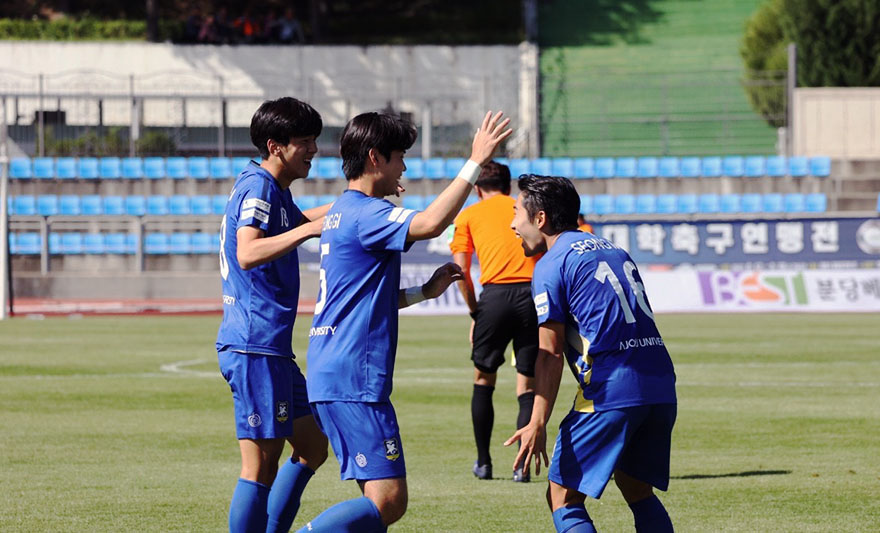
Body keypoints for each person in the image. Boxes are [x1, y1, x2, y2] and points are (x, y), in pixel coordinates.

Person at [298, 111, 512, 532]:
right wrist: (475, 161)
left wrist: (423, 293)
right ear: (375, 157)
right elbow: (431, 223)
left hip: (334, 371)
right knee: (390, 500)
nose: (406, 167)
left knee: (375, 499)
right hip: (354, 377)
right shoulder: (365, 213)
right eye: (400, 157)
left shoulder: (343, 210)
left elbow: (364, 299)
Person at [505, 175, 677, 533]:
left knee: (562, 497)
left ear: (540, 219)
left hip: (611, 390)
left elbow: (549, 354)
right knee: (636, 488)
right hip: (660, 385)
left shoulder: (552, 264)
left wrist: (537, 421)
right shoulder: (612, 249)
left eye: (517, 212)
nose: (512, 224)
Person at [216, 97, 332, 533]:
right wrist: (308, 229)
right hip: (253, 344)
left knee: (312, 446)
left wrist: (356, 204)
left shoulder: (275, 190)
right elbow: (248, 251)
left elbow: (304, 220)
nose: (314, 150)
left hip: (272, 349)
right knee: (260, 466)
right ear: (275, 145)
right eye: (305, 142)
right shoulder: (259, 187)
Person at [449, 160, 538, 482]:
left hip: (495, 297)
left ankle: (484, 462)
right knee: (527, 382)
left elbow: (460, 272)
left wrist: (476, 311)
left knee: (484, 379)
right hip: (533, 295)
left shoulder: (469, 214)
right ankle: (521, 466)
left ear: (476, 188)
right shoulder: (523, 208)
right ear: (508, 184)